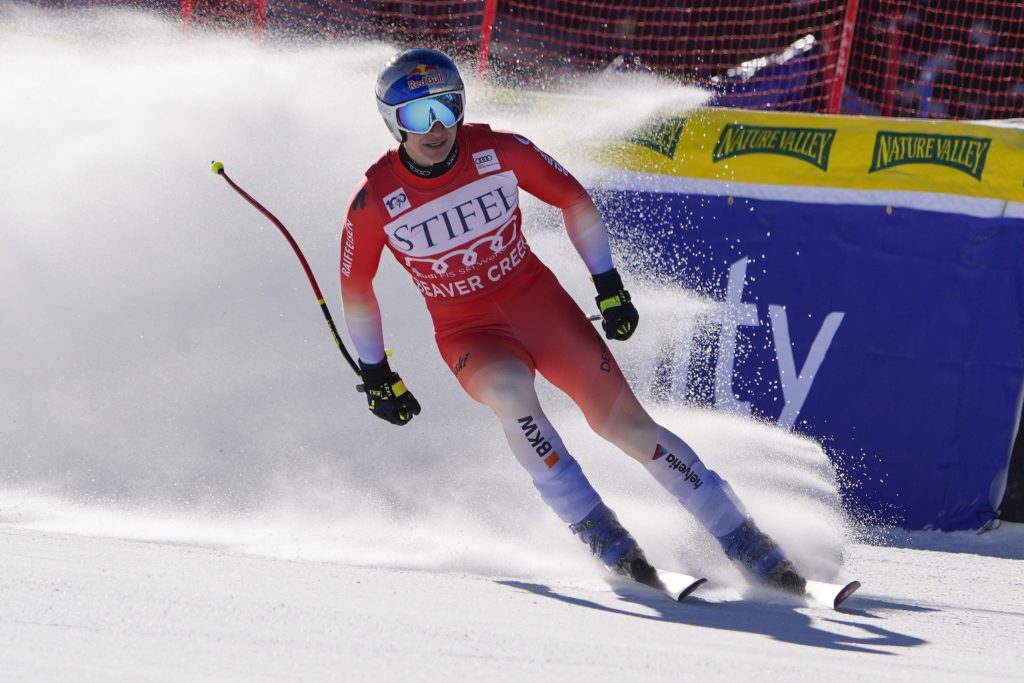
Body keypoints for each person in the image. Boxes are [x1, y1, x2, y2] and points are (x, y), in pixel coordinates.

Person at [340, 47, 806, 593]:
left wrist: (608, 287)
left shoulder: (499, 149)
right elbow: (356, 288)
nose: (438, 126)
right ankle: (602, 532)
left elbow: (573, 199)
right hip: (470, 335)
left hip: (544, 311)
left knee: (627, 429)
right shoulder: (377, 200)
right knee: (511, 394)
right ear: (393, 122)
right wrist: (376, 375)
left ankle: (745, 539)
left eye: (447, 105)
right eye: (419, 115)